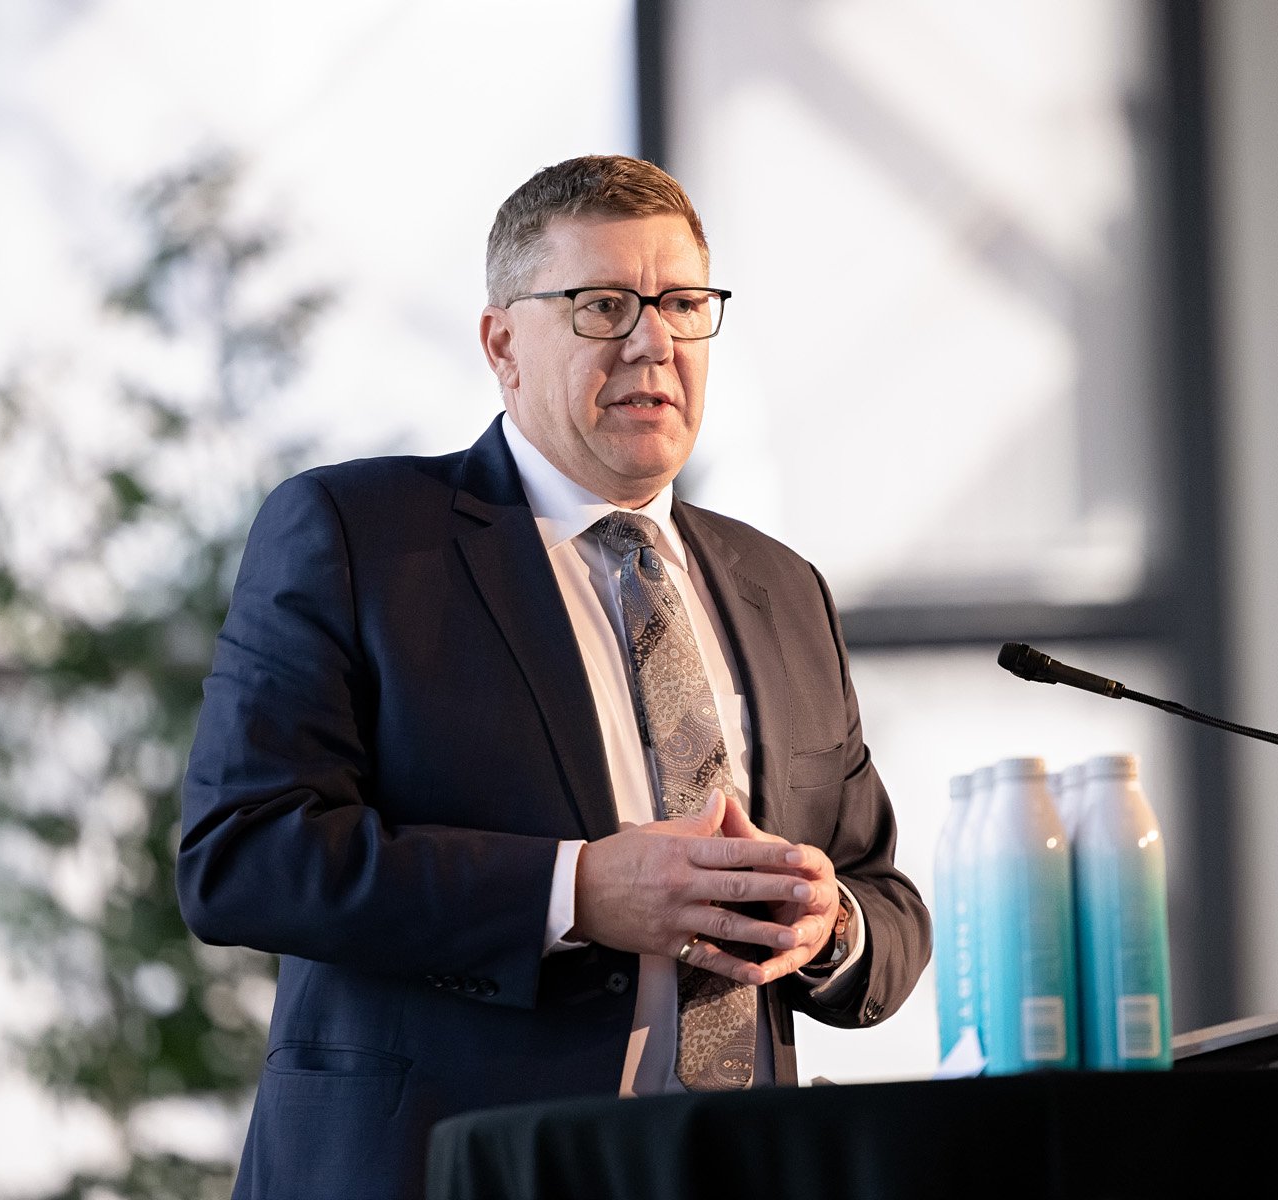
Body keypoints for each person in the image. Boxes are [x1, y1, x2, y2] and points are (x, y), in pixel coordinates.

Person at [177, 155, 930, 1199]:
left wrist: (826, 927)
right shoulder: (360, 536)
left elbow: (885, 902)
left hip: (739, 1167)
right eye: (603, 305)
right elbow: (242, 857)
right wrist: (576, 892)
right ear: (503, 345)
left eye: (683, 305)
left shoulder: (784, 587)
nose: (654, 343)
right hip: (452, 1169)